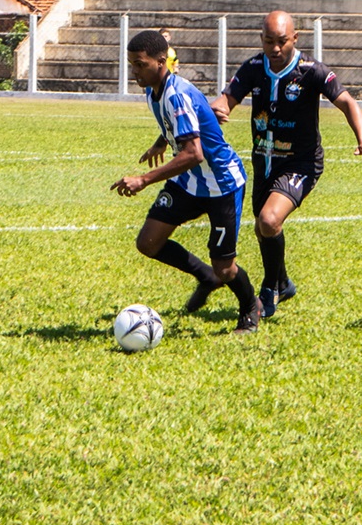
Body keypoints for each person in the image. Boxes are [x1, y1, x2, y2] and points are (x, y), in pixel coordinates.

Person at [210, 10, 362, 318]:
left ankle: (270, 288)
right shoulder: (252, 68)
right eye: (269, 42)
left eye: (282, 42)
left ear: (295, 39)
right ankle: (284, 282)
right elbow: (226, 99)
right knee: (264, 229)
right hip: (264, 160)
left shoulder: (311, 70)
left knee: (270, 220)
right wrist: (219, 108)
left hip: (301, 163)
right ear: (261, 39)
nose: (275, 49)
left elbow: (347, 102)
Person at [111, 28, 262, 333]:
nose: (135, 72)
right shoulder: (154, 88)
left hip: (221, 184)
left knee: (225, 266)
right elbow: (181, 124)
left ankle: (250, 307)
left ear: (161, 61)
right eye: (132, 65)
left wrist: (144, 179)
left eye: (141, 65)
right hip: (189, 182)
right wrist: (161, 141)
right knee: (149, 242)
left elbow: (194, 153)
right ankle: (206, 277)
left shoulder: (176, 93)